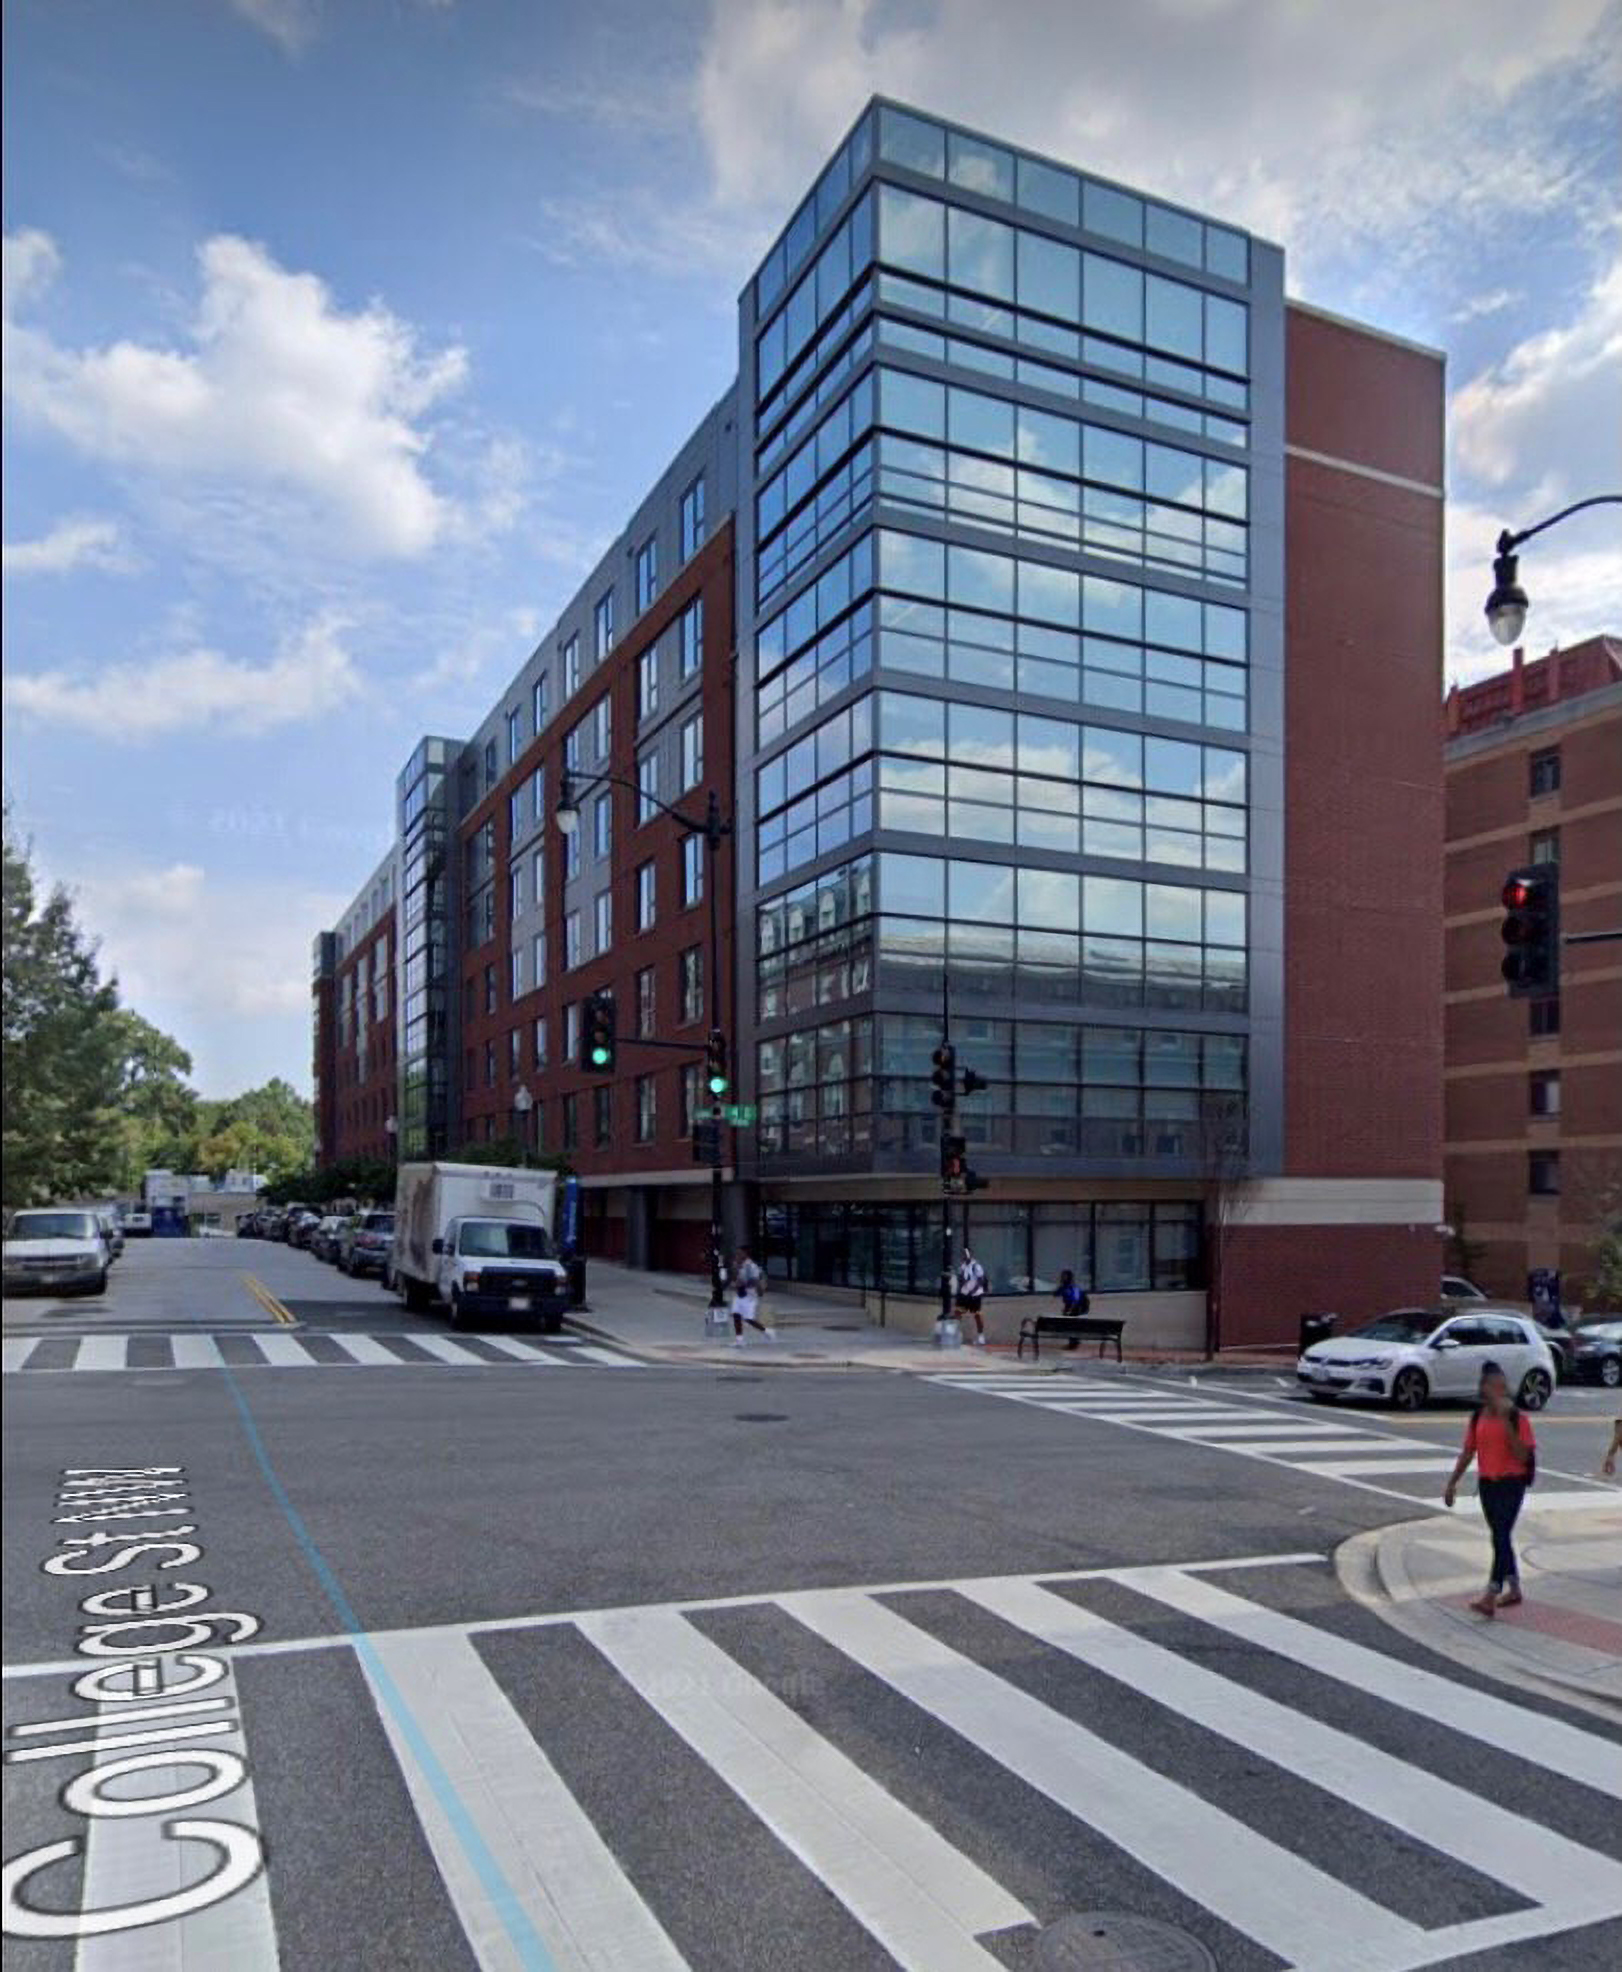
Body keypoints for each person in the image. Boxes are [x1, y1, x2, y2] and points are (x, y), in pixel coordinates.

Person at [1443, 1361, 1536, 1616]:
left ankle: (1492, 1592)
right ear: (1484, 1388)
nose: (1501, 1392)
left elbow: (1522, 1455)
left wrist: (1507, 1421)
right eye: (1496, 1387)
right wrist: (1452, 1482)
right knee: (1499, 1535)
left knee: (1501, 1535)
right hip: (1487, 1484)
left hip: (1511, 1483)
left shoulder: (1518, 1418)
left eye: (1504, 1387)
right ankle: (1514, 1586)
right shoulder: (1478, 1417)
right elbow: (1468, 1452)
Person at [729, 1246, 772, 1348]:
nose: (737, 1256)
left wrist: (759, 1291)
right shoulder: (739, 1265)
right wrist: (735, 1270)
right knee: (736, 1314)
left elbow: (755, 1281)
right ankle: (739, 1340)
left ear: (745, 1254)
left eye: (740, 1253)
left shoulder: (751, 1266)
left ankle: (766, 1331)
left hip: (750, 1295)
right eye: (737, 1254)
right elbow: (735, 1278)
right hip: (740, 1294)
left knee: (748, 1318)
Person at [955, 1245, 988, 1347]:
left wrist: (973, 1290)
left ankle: (981, 1337)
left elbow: (980, 1280)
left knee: (977, 1315)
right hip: (964, 1293)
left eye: (966, 1254)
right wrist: (961, 1288)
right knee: (958, 1313)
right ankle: (956, 1334)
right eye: (963, 1254)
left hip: (975, 1294)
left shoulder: (976, 1266)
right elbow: (960, 1278)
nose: (964, 1256)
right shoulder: (963, 1266)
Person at [1055, 1268, 1091, 1349]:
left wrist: (1069, 1310)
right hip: (1073, 1308)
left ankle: (1074, 1343)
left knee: (1072, 1324)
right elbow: (1057, 1293)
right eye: (1063, 1276)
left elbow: (1075, 1300)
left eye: (1065, 1276)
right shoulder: (1066, 1287)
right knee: (1070, 1325)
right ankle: (1073, 1342)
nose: (1063, 1278)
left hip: (1078, 1308)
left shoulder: (1072, 1287)